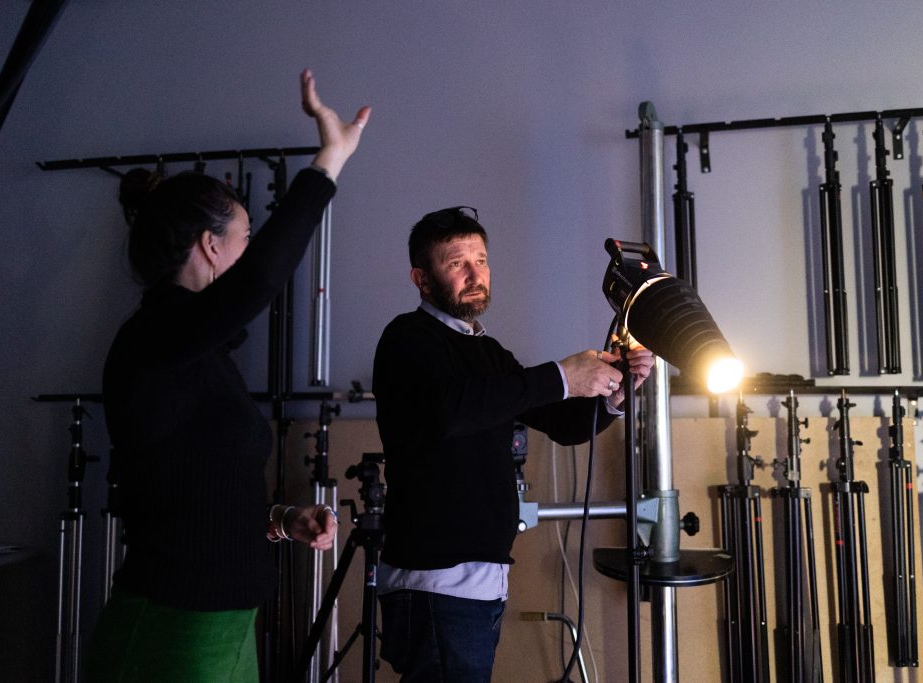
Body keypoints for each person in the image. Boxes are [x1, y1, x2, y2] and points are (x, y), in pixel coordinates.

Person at [84, 70, 370, 682]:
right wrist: (328, 163)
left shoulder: (199, 353)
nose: (247, 253)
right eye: (243, 239)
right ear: (211, 247)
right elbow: (260, 279)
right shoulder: (153, 339)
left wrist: (278, 520)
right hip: (172, 625)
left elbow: (194, 484)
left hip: (227, 622)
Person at [372, 206, 654, 682]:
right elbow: (453, 410)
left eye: (480, 260)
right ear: (422, 278)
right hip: (436, 581)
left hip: (480, 580)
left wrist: (613, 397)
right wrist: (563, 376)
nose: (474, 273)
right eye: (456, 262)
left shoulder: (487, 351)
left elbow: (560, 423)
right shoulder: (407, 337)